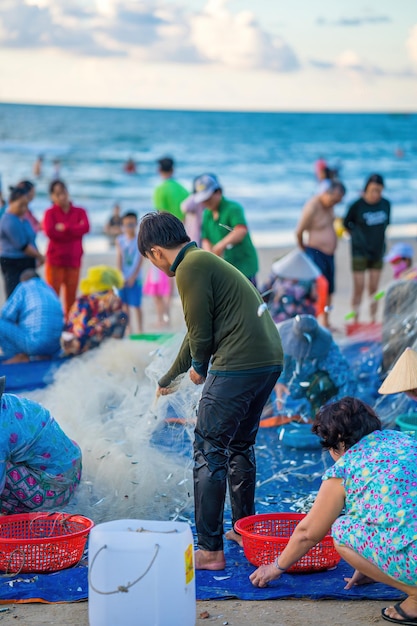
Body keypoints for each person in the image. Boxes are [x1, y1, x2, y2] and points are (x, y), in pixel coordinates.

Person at [137, 212, 283, 570]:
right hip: (268, 359)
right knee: (239, 444)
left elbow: (200, 334)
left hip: (240, 362)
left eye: (151, 261)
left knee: (207, 447)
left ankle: (210, 550)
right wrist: (170, 378)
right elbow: (194, 333)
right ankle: (243, 530)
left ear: (156, 252)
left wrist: (200, 368)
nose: (156, 267)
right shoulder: (202, 259)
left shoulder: (189, 268)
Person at [249, 396, 417, 626]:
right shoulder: (404, 439)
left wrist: (275, 567)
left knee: (341, 529)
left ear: (337, 442)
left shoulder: (345, 468)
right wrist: (370, 562)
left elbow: (308, 532)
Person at [0, 376, 82, 515]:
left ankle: (20, 512)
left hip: (54, 491)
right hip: (72, 471)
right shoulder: (9, 402)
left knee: (4, 467)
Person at [274, 315, 357, 418]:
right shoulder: (281, 343)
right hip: (292, 388)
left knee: (323, 383)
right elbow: (277, 361)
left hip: (314, 388)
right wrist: (279, 382)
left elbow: (346, 380)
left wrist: (338, 410)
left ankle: (317, 414)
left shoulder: (328, 351)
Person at [295, 181, 346, 328]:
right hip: (315, 252)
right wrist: (304, 251)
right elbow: (299, 231)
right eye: (334, 199)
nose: (335, 203)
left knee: (330, 289)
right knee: (319, 290)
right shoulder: (312, 207)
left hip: (329, 254)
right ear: (327, 193)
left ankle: (326, 322)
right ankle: (315, 323)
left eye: (338, 201)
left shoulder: (329, 206)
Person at [194, 173, 259, 285]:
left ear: (218, 192)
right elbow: (205, 238)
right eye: (203, 200)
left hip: (243, 264)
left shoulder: (233, 208)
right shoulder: (207, 214)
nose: (206, 203)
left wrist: (220, 245)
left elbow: (241, 230)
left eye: (208, 199)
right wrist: (210, 253)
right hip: (223, 266)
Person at [343, 174, 390, 324]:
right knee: (359, 288)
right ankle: (355, 320)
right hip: (359, 252)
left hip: (377, 251)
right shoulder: (356, 205)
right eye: (372, 190)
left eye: (379, 190)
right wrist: (358, 238)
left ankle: (373, 320)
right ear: (365, 190)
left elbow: (386, 224)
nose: (376, 194)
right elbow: (346, 224)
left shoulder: (386, 204)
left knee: (374, 289)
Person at [43, 180, 90, 318]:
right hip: (55, 261)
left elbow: (86, 227)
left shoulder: (79, 211)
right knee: (52, 298)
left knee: (71, 299)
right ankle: (53, 327)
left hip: (74, 261)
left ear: (67, 192)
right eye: (58, 194)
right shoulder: (49, 213)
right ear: (52, 196)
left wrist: (65, 228)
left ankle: (69, 329)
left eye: (63, 192)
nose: (62, 197)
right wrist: (74, 231)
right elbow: (50, 232)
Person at [61, 265, 128, 356]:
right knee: (122, 316)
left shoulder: (83, 298)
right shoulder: (108, 298)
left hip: (70, 341)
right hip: (83, 342)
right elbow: (85, 328)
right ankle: (113, 347)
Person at [0, 269, 64, 363]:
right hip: (55, 348)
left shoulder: (24, 287)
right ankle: (42, 355)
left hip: (35, 344)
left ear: (23, 280)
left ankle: (18, 355)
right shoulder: (49, 289)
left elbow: (6, 315)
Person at [0, 185, 44, 298]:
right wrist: (40, 256)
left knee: (30, 296)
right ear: (10, 202)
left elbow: (31, 239)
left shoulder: (23, 218)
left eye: (26, 205)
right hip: (14, 263)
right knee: (15, 296)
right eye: (21, 205)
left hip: (26, 261)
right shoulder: (8, 220)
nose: (24, 209)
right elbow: (23, 245)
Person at [116, 211, 143, 334]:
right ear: (123, 225)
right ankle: (129, 329)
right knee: (125, 305)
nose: (129, 228)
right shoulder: (120, 240)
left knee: (136, 305)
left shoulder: (139, 239)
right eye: (127, 225)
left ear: (136, 224)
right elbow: (119, 258)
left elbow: (140, 260)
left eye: (132, 224)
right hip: (123, 277)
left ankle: (140, 329)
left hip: (136, 278)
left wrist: (133, 276)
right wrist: (119, 275)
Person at [153, 156, 188, 222]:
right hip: (182, 227)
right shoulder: (182, 188)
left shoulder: (159, 190)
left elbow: (161, 214)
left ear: (159, 170)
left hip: (169, 228)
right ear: (172, 170)